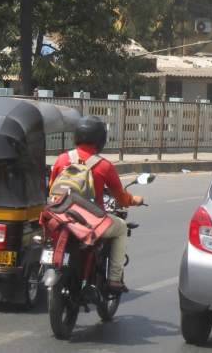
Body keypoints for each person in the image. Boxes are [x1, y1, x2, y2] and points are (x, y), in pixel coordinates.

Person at [49, 115, 143, 293]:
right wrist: (134, 200)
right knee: (122, 228)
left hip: (61, 216)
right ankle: (115, 279)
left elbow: (52, 189)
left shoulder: (62, 160)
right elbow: (121, 198)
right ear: (101, 140)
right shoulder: (104, 166)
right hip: (90, 221)